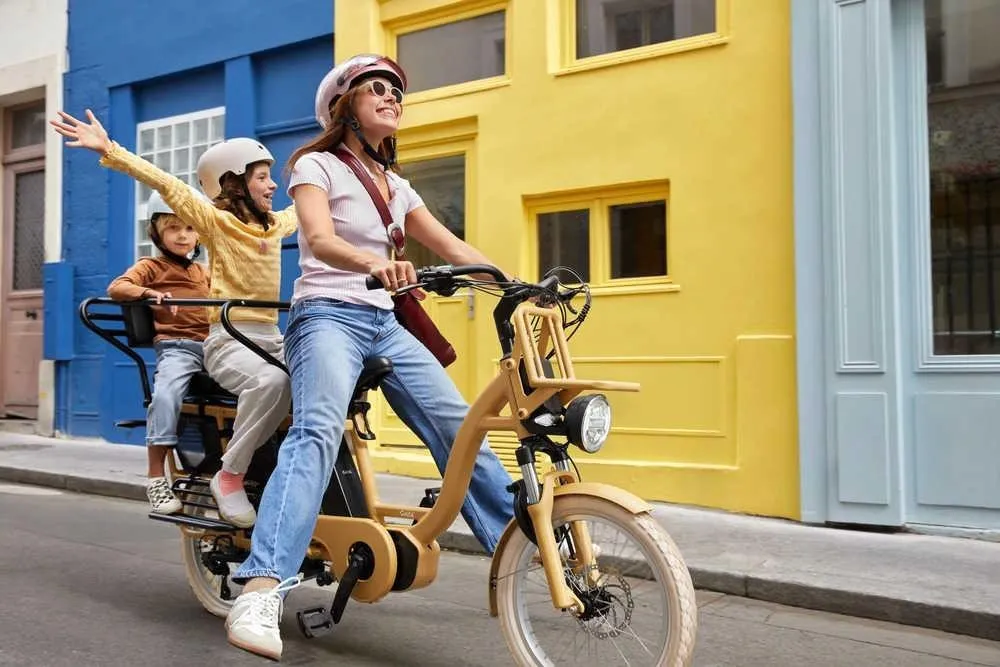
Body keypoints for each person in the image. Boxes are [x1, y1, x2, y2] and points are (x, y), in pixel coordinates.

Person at [221, 54, 515, 660]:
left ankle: (519, 547)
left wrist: (510, 280)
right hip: (327, 315)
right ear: (344, 107)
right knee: (317, 433)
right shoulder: (315, 166)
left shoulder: (397, 185)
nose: (390, 98)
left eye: (396, 92)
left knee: (460, 427)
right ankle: (260, 586)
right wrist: (373, 262)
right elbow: (320, 239)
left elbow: (449, 244)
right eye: (375, 89)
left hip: (385, 322)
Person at [51, 111, 296, 528]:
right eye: (261, 177)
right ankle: (211, 475)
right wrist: (109, 149)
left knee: (326, 373)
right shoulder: (211, 227)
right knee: (179, 390)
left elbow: (313, 208)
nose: (274, 185)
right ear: (234, 182)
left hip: (263, 335)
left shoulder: (267, 230)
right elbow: (166, 185)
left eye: (187, 230)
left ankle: (293, 475)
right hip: (214, 341)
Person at [107, 191, 210, 514]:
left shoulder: (203, 271)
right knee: (165, 397)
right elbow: (118, 287)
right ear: (157, 233)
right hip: (178, 347)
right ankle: (155, 478)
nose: (183, 235)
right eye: (173, 228)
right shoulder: (150, 266)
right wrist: (149, 293)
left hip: (216, 346)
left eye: (190, 228)